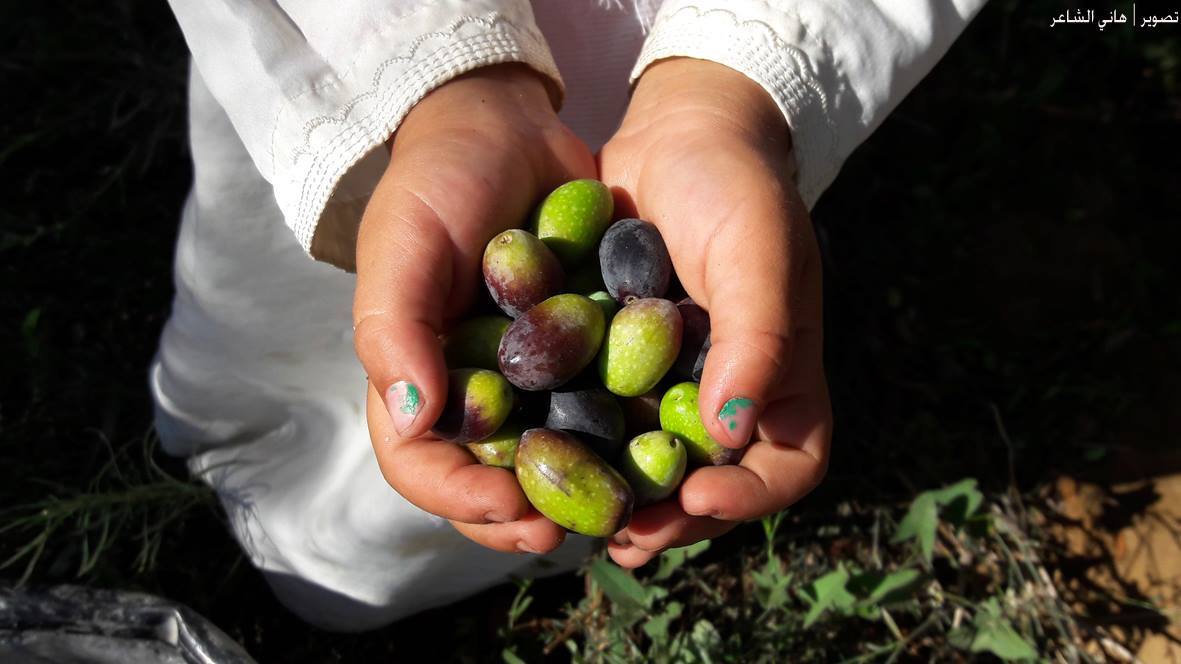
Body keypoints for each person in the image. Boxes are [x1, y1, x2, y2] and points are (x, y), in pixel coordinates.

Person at [154, 0, 987, 631]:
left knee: (452, 452)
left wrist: (726, 92)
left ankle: (382, 557)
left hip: (656, 128)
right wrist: (440, 82)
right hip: (370, 65)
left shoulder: (606, 329)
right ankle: (250, 445)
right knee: (300, 319)